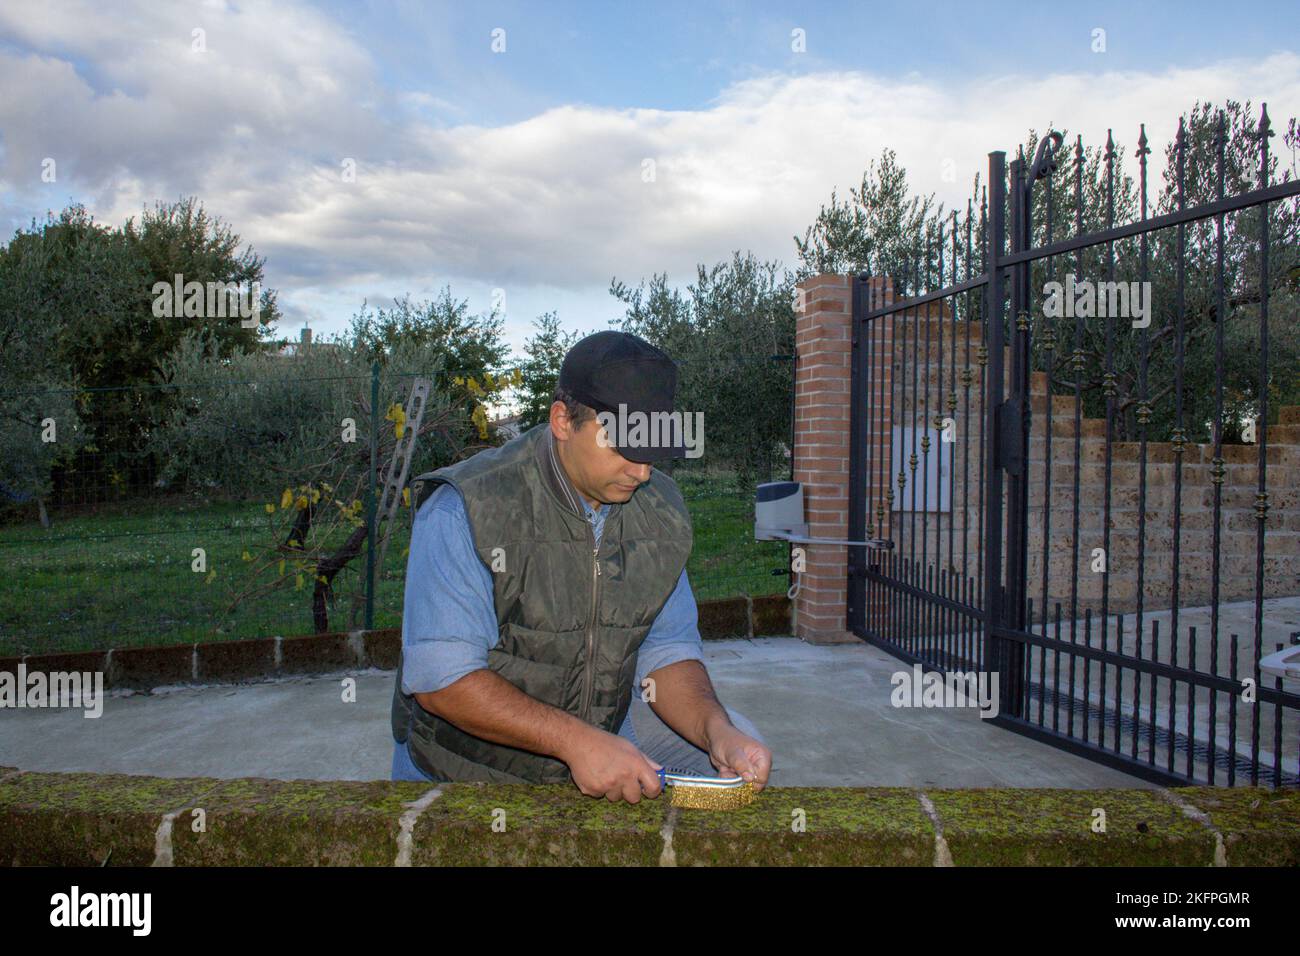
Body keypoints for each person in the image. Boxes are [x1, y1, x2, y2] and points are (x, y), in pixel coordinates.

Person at [389, 330, 771, 802]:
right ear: (563, 420)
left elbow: (667, 651)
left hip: (603, 731)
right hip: (461, 767)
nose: (643, 472)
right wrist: (576, 743)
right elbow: (441, 680)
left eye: (652, 449)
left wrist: (717, 731)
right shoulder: (465, 506)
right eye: (624, 447)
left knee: (739, 749)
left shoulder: (661, 510)